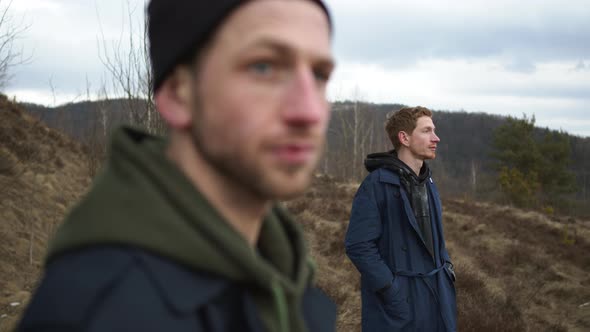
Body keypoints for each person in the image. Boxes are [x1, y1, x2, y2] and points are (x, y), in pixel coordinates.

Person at [18, 1, 336, 331]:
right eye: (263, 67)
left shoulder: (287, 284)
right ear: (177, 93)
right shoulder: (100, 312)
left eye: (319, 75)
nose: (309, 110)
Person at [345, 106, 457, 331]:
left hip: (437, 296)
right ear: (404, 137)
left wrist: (447, 272)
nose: (436, 138)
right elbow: (358, 245)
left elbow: (436, 241)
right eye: (426, 131)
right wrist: (391, 289)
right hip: (400, 302)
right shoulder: (376, 185)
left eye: (433, 130)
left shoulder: (429, 184)